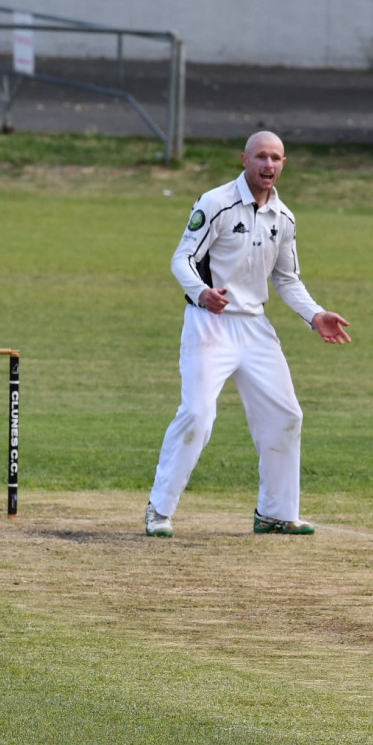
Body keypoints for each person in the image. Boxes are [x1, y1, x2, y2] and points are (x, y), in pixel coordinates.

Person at [146, 131, 351, 537]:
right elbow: (181, 258)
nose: (268, 165)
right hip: (210, 324)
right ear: (245, 160)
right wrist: (202, 293)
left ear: (283, 164)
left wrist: (316, 315)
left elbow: (287, 280)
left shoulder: (285, 218)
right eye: (261, 157)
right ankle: (159, 510)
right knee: (199, 415)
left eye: (275, 158)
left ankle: (275, 513)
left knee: (286, 415)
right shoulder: (215, 203)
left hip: (254, 326)